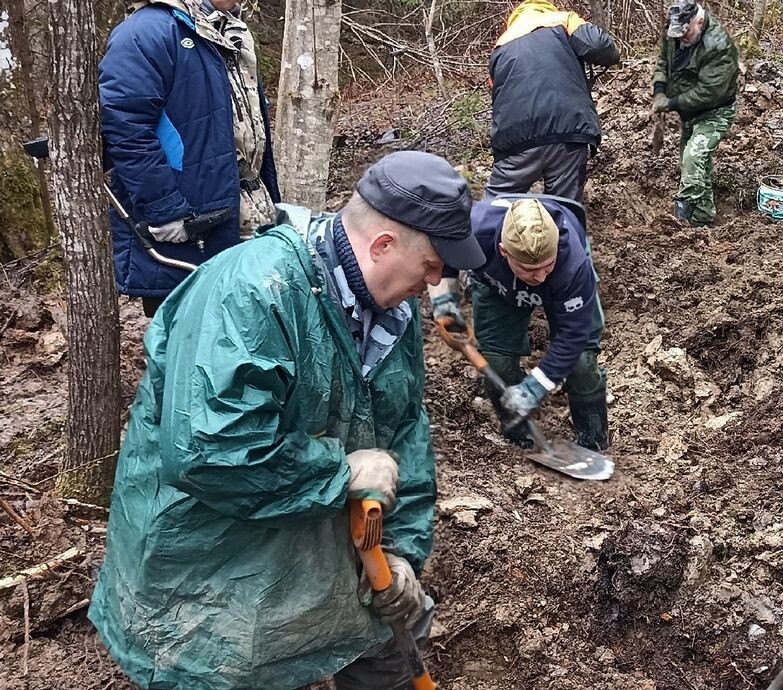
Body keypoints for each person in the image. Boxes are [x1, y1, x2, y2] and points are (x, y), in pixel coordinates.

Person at [89, 152, 486, 690]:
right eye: (432, 264)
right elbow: (208, 451)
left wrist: (400, 551)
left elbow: (405, 434)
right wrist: (340, 473)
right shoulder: (251, 291)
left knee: (392, 640)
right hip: (212, 563)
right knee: (230, 669)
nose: (436, 282)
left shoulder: (395, 312)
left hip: (327, 540)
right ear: (382, 246)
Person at [100, 0, 281, 317]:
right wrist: (165, 209)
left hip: (242, 212)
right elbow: (126, 129)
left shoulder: (227, 31)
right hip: (185, 224)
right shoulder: (147, 33)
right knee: (192, 336)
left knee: (245, 331)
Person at [428, 195, 608, 451]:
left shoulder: (572, 262)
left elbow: (574, 335)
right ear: (504, 251)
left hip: (563, 287)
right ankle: (519, 437)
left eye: (547, 266)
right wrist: (445, 298)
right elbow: (443, 250)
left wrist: (535, 387)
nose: (540, 276)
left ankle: (594, 441)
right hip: (497, 285)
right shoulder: (475, 231)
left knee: (582, 364)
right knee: (497, 363)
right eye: (530, 270)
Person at [486, 0, 620, 204]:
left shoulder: (501, 45)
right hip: (568, 128)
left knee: (496, 207)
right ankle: (564, 223)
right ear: (546, 9)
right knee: (565, 209)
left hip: (516, 138)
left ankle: (490, 224)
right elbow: (601, 48)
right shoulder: (563, 19)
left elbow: (495, 93)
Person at [651, 0, 739, 227]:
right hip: (688, 112)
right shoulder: (675, 30)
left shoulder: (718, 45)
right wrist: (659, 90)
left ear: (699, 22)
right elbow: (663, 61)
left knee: (694, 156)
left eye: (685, 33)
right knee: (692, 164)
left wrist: (671, 103)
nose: (681, 38)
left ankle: (682, 217)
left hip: (715, 111)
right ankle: (703, 217)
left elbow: (710, 92)